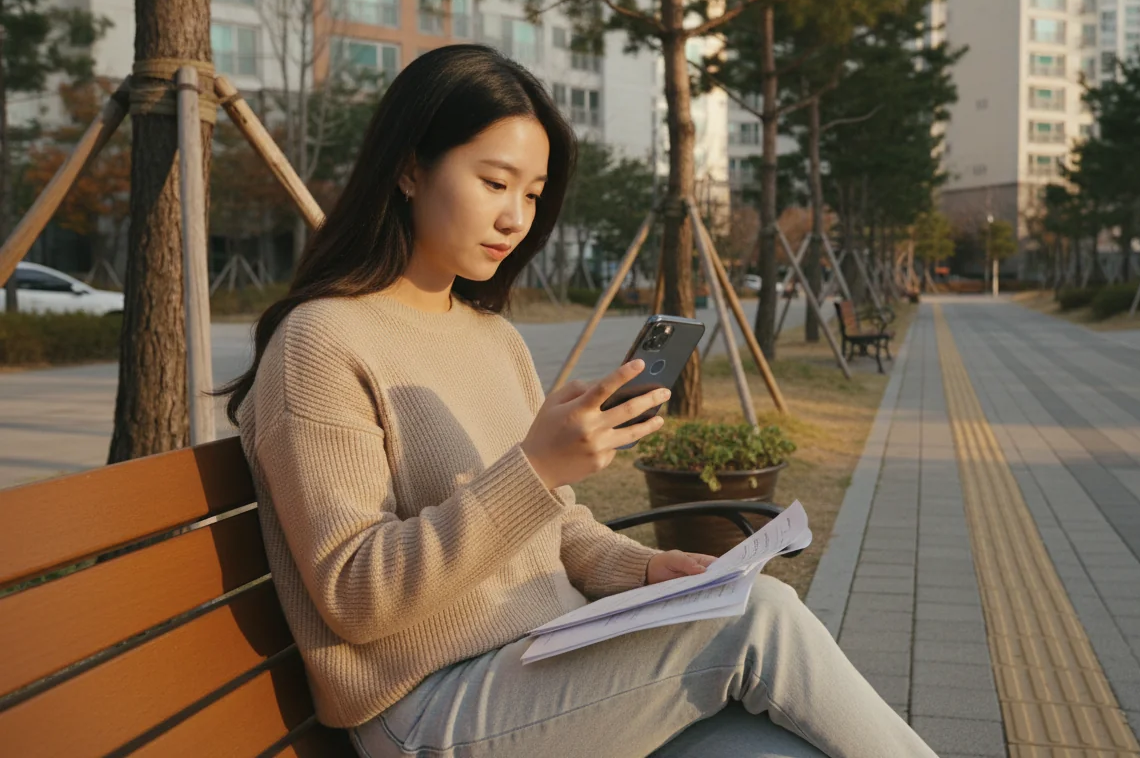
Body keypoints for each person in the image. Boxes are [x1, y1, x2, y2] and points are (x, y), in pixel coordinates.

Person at [219, 44, 936, 758]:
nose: (516, 218)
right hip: (424, 705)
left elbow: (556, 530)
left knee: (779, 749)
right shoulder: (321, 342)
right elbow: (354, 595)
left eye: (532, 194)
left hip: (549, 666)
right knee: (765, 619)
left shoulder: (492, 337)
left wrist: (647, 570)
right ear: (410, 167)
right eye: (495, 182)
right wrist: (534, 469)